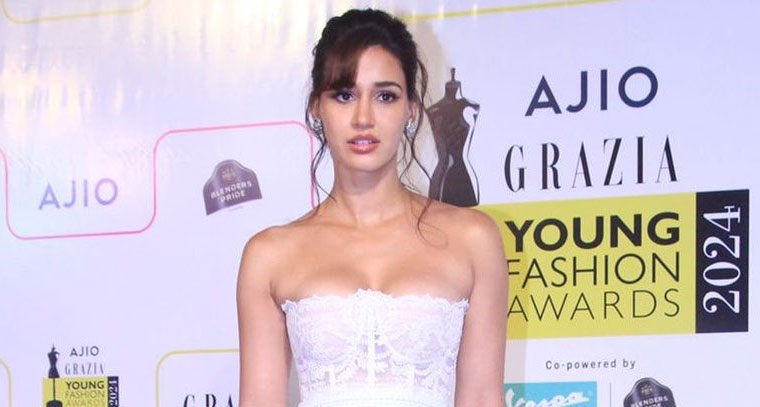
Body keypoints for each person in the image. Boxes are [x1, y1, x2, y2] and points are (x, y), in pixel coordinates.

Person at [237, 8, 508, 407]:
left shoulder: (473, 239)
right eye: (344, 95)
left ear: (411, 109)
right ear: (316, 108)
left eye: (385, 96)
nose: (363, 117)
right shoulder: (269, 254)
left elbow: (482, 397)